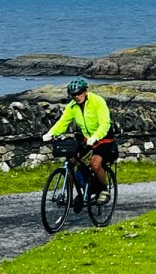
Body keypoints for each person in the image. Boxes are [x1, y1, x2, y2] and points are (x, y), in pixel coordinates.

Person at [42, 78, 117, 211]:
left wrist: (95, 137)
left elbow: (105, 123)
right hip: (87, 139)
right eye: (73, 95)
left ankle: (103, 190)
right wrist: (51, 133)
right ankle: (70, 194)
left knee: (95, 163)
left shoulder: (97, 101)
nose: (77, 96)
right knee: (71, 160)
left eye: (79, 93)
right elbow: (63, 122)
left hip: (104, 139)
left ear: (85, 91)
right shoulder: (71, 106)